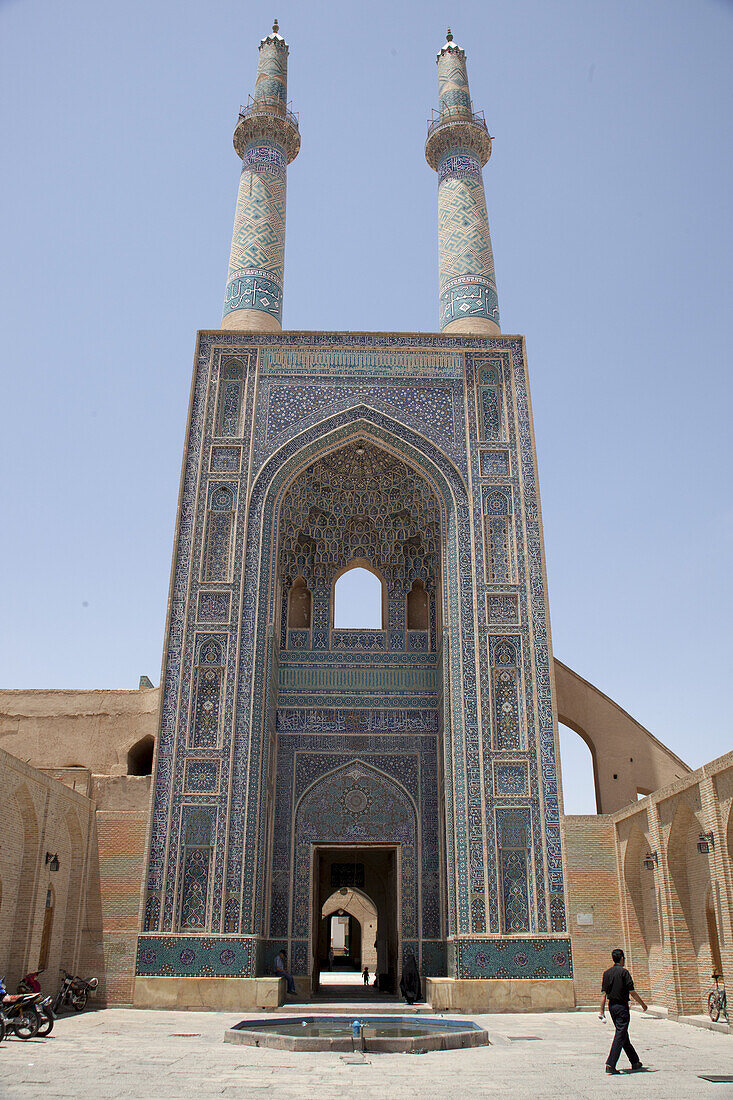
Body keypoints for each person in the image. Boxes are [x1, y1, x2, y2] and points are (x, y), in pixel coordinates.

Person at [599, 948, 647, 1074]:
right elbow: (632, 992)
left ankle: (635, 1061)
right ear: (621, 959)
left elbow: (603, 994)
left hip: (612, 1007)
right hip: (622, 1007)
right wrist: (643, 1004)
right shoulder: (624, 973)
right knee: (620, 1033)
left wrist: (602, 1011)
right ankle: (611, 1063)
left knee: (623, 1033)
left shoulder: (607, 973)